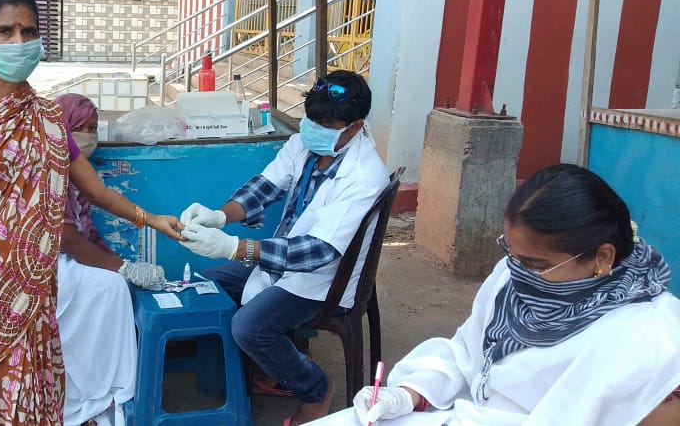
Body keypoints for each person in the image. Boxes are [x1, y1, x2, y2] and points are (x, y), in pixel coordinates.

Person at [0, 0, 180, 425]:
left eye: (28, 32)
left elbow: (97, 192)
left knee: (31, 391)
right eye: (4, 32)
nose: (19, 41)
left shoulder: (47, 118)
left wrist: (153, 219)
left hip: (34, 291)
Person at [313, 164, 680, 426]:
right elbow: (466, 351)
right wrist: (411, 391)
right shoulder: (516, 276)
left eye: (536, 264)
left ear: (601, 258)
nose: (515, 270)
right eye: (511, 253)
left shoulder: (654, 341)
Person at [178, 70, 390, 425]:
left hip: (325, 279)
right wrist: (219, 216)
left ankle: (315, 389)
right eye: (312, 119)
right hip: (285, 258)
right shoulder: (305, 145)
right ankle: (265, 366)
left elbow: (319, 252)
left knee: (249, 327)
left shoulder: (363, 175)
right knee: (205, 285)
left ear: (355, 128)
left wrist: (235, 248)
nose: (315, 129)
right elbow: (265, 187)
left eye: (327, 124)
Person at [54, 93, 139, 426]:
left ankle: (99, 391)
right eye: (82, 127)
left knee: (114, 286)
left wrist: (118, 264)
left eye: (94, 128)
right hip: (44, 264)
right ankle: (97, 393)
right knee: (112, 286)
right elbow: (66, 239)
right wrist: (123, 267)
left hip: (62, 261)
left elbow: (86, 234)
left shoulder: (75, 171)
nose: (90, 136)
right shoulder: (51, 166)